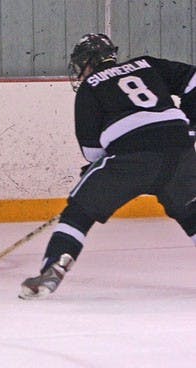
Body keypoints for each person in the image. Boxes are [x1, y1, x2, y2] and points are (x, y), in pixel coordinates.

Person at [19, 33, 196, 299]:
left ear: (89, 62)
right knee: (191, 214)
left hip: (131, 159)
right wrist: (189, 123)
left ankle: (52, 269)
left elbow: (92, 152)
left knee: (79, 213)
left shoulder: (90, 86)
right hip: (181, 151)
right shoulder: (147, 64)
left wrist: (99, 171)